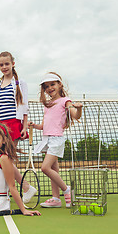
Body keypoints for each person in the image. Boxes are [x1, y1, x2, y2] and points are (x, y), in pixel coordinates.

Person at [0, 51, 36, 203]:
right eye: (1, 64)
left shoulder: (20, 83)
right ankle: (18, 188)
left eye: (7, 64)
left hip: (13, 125)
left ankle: (24, 188)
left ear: (12, 64)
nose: (4, 67)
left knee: (7, 160)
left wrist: (24, 126)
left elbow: (24, 105)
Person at [30, 72, 83, 208]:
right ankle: (56, 199)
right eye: (46, 86)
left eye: (52, 84)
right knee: (54, 170)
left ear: (60, 85)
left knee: (45, 168)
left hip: (56, 140)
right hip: (46, 139)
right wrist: (34, 125)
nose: (50, 88)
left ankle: (66, 189)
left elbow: (76, 116)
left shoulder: (65, 101)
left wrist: (79, 109)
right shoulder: (47, 104)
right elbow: (43, 126)